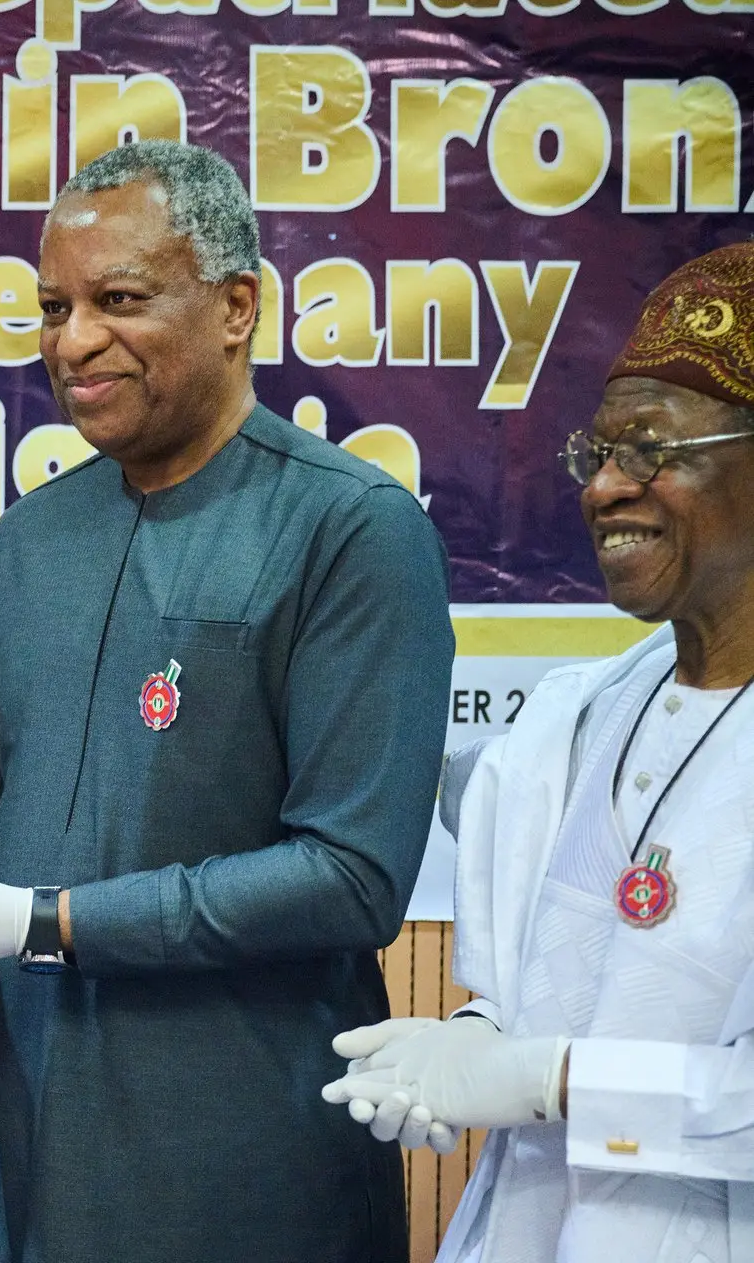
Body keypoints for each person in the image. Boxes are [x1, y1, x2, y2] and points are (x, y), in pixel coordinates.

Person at [0, 140, 455, 1261]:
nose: (71, 341)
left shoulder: (352, 529)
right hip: (44, 1161)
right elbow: (3, 815)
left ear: (237, 305)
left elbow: (348, 878)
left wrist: (38, 921)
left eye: (119, 300)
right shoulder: (30, 542)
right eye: (52, 306)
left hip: (257, 1169)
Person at [323, 242, 754, 1262]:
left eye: (651, 449)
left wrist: (549, 1078)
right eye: (597, 453)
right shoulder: (574, 721)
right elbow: (530, 991)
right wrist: (478, 1036)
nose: (606, 488)